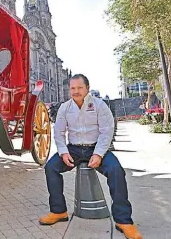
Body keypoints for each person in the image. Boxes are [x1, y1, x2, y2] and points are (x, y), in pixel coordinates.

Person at [39, 74, 142, 239]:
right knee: (51, 167)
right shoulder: (65, 108)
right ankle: (58, 211)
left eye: (79, 88)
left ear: (87, 88)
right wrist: (63, 152)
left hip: (96, 147)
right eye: (73, 88)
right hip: (73, 149)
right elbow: (58, 133)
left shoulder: (99, 105)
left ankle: (123, 221)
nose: (76, 91)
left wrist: (99, 154)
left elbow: (107, 131)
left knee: (116, 170)